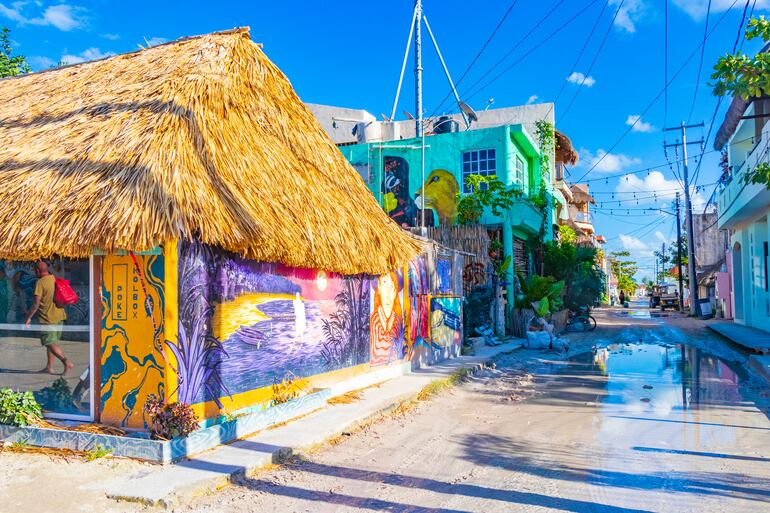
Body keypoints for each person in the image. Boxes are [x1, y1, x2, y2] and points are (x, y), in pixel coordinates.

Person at [25, 260, 72, 374]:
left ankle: (65, 361)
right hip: (60, 316)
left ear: (37, 271)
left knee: (49, 342)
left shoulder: (40, 283)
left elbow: (36, 304)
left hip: (47, 318)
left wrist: (29, 317)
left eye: (34, 271)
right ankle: (49, 367)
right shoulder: (54, 278)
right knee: (53, 343)